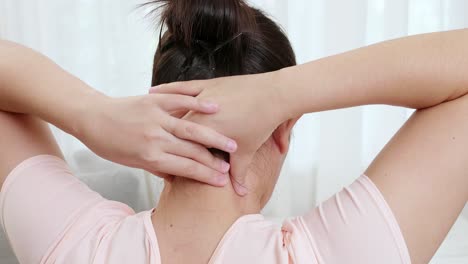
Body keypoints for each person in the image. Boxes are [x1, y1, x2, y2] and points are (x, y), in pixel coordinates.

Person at [0, 1, 466, 264]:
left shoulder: (74, 244)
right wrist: (282, 94)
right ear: (281, 133)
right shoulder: (334, 254)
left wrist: (91, 115)